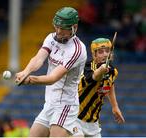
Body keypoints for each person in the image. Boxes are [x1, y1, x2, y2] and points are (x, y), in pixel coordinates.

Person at [15, 7, 87, 137]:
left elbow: (53, 78)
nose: (58, 31)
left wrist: (30, 79)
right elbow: (38, 58)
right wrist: (26, 71)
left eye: (63, 28)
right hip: (50, 103)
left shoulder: (77, 50)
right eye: (57, 27)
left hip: (65, 104)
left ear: (74, 27)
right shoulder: (51, 38)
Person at [75, 38, 125, 137]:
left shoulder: (113, 71)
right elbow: (93, 78)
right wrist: (101, 70)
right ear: (94, 55)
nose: (105, 54)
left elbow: (110, 85)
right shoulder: (88, 67)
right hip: (75, 118)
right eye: (101, 52)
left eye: (107, 51)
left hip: (93, 123)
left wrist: (115, 106)